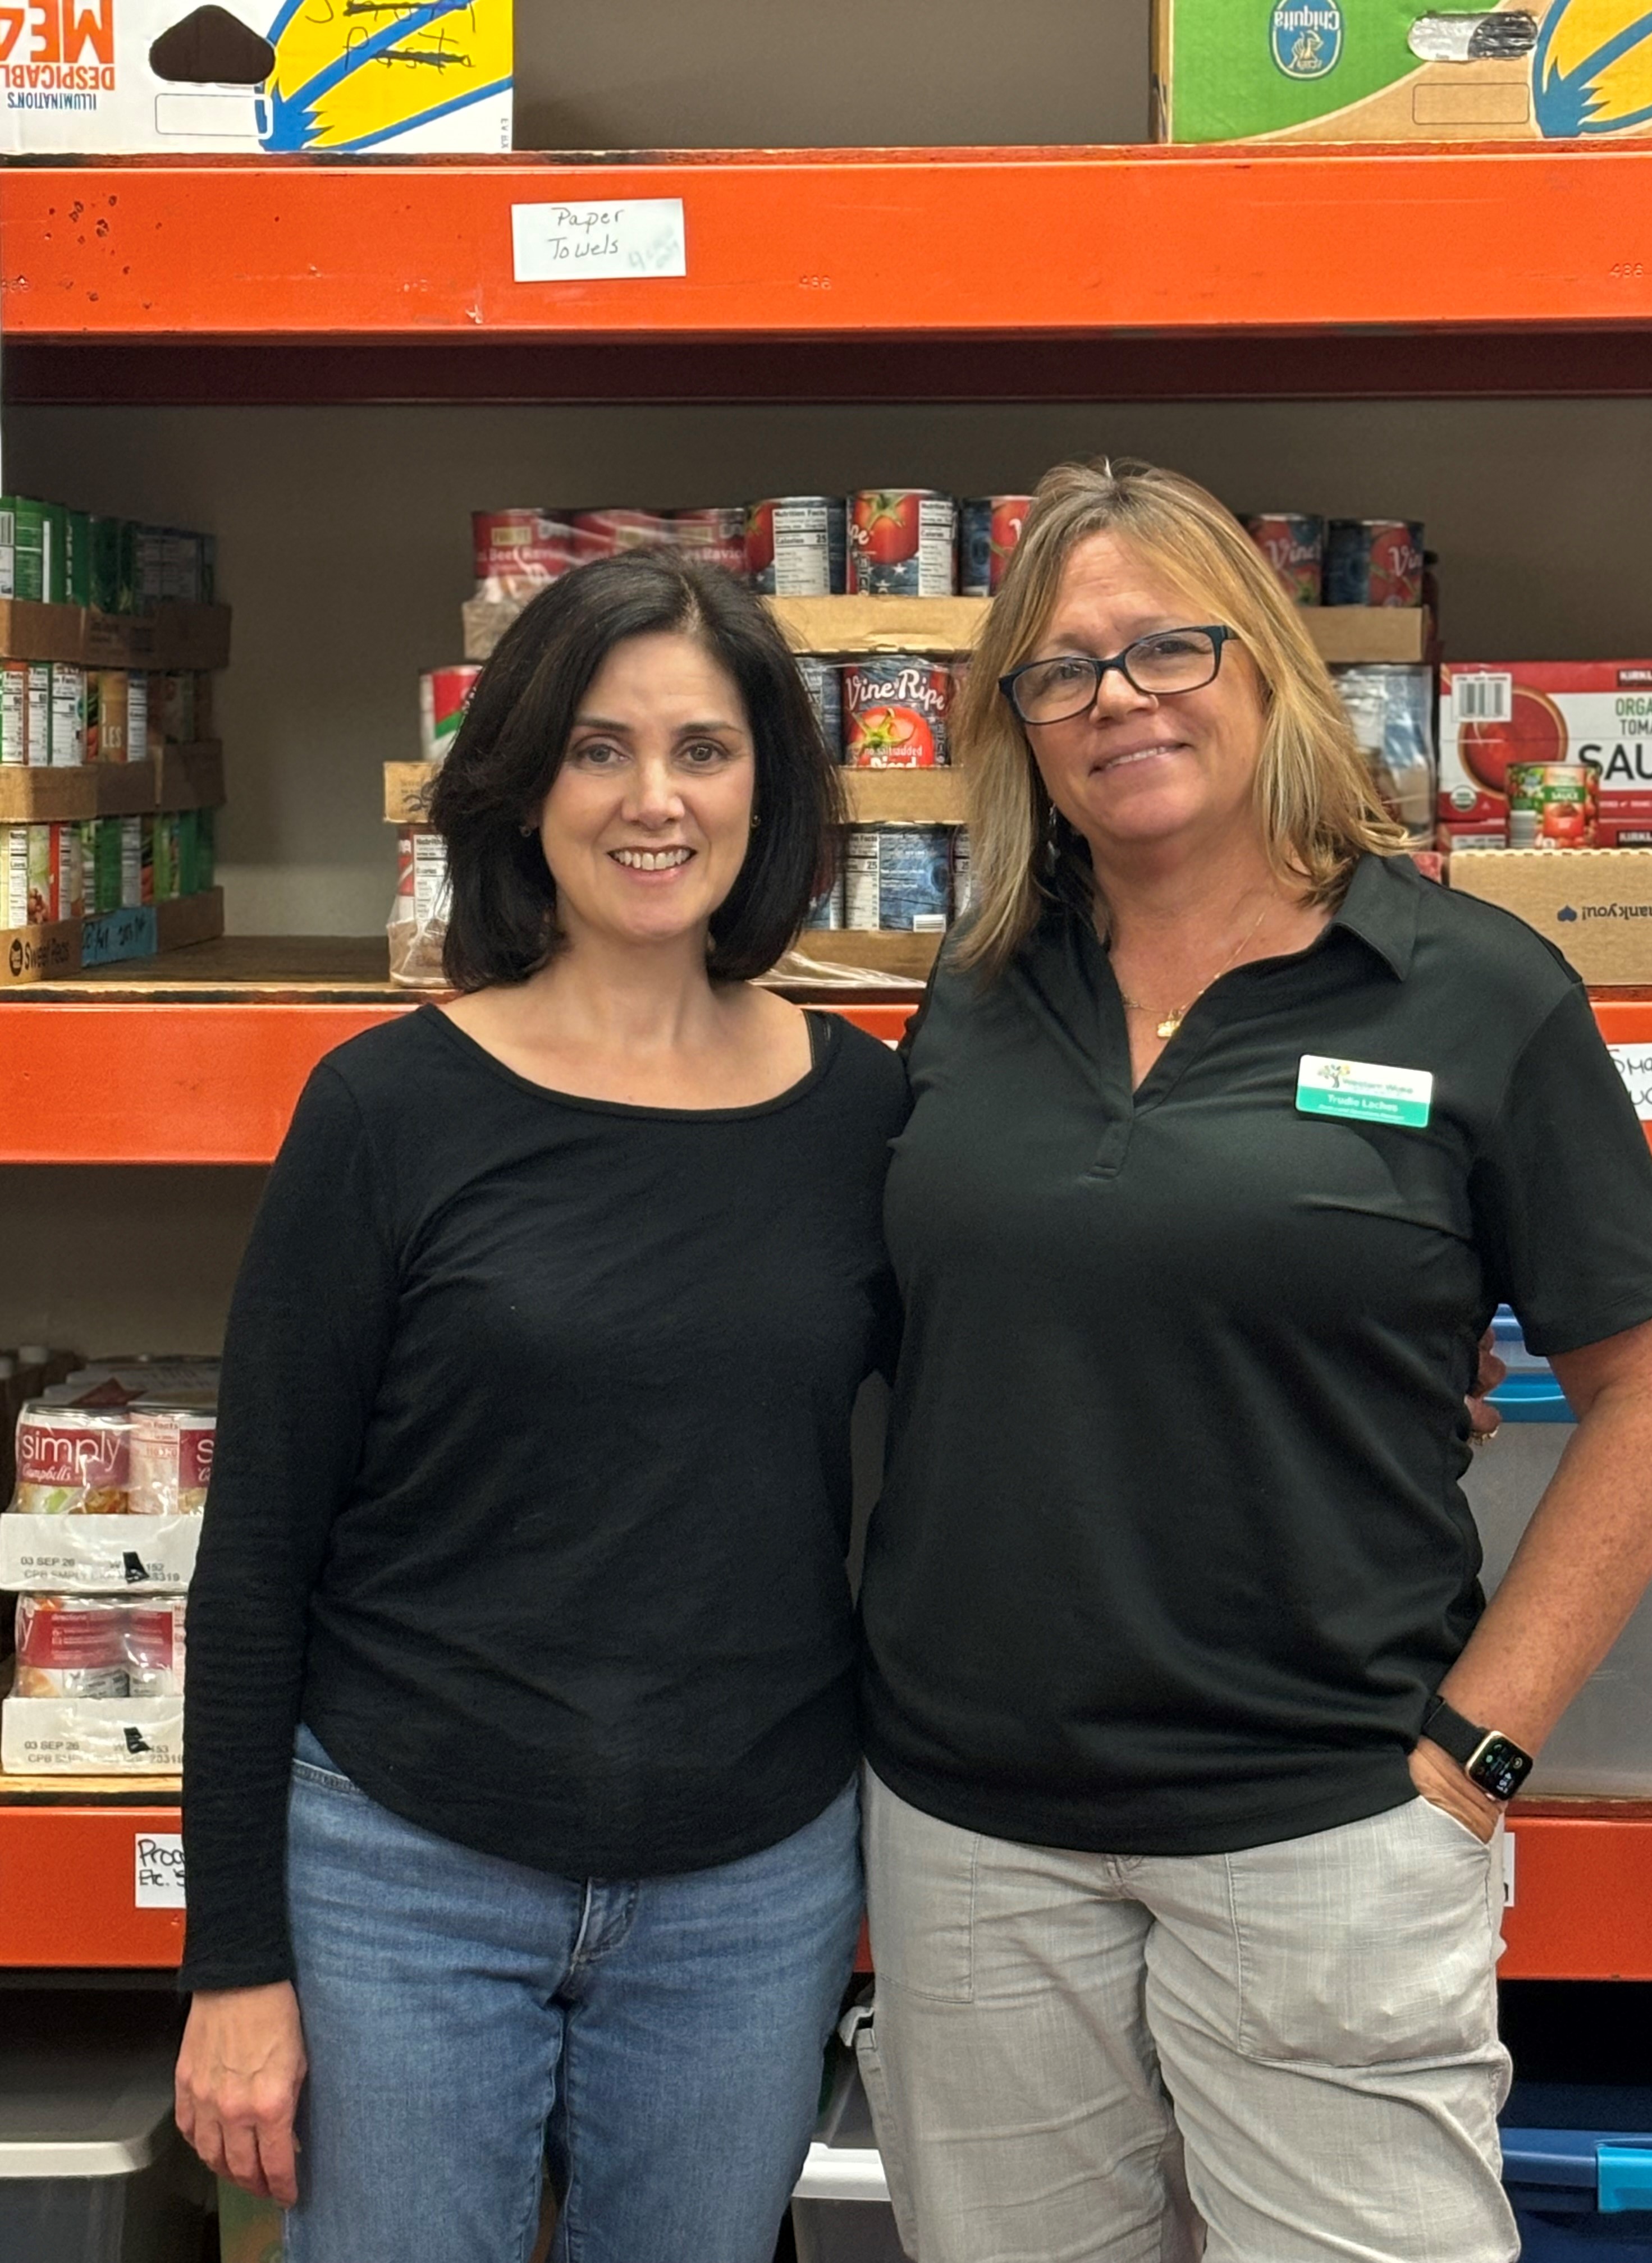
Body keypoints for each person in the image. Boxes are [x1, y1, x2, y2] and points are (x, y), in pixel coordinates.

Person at [853, 458, 1652, 2263]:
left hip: (1329, 1822)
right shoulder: (980, 984)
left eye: (1169, 644)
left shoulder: (1474, 989)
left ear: (1269, 672)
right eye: (1062, 671)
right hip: (973, 1832)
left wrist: (1485, 1745)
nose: (1119, 698)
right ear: (1019, 727)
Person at [175, 549, 909, 2263]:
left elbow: (1018, 1409)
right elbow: (261, 1548)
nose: (654, 800)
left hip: (753, 1881)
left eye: (705, 751)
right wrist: (235, 1962)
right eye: (598, 749)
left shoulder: (867, 1114)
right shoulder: (385, 1110)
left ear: (769, 790)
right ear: (520, 790)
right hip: (404, 1870)